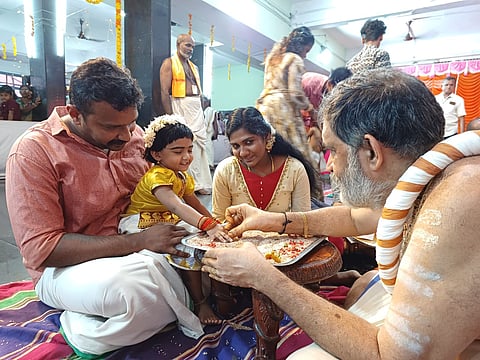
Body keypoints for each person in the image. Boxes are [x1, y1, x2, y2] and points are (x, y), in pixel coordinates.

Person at [202, 68, 480, 359]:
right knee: (361, 286)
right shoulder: (426, 178)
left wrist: (262, 276)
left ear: (371, 151)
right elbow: (355, 218)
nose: (331, 166)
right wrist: (271, 219)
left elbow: (392, 355)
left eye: (334, 151)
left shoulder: (458, 201)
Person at [6, 57, 205, 358]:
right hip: (67, 268)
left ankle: (142, 306)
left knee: (209, 264)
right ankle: (84, 330)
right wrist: (136, 242)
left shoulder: (138, 138)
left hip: (140, 248)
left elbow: (169, 192)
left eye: (131, 123)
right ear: (77, 114)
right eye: (112, 127)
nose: (127, 137)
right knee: (134, 291)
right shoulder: (34, 152)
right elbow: (42, 250)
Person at [119, 114, 229, 324]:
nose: (187, 157)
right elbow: (176, 205)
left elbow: (194, 203)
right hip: (141, 222)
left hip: (166, 218)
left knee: (203, 236)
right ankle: (200, 302)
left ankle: (220, 291)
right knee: (187, 245)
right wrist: (207, 225)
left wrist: (214, 224)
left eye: (189, 150)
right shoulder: (157, 175)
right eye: (178, 151)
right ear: (156, 154)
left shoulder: (182, 175)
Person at [212, 106, 318, 221]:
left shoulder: (294, 169)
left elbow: (302, 222)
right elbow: (219, 221)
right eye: (236, 146)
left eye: (249, 142)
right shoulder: (225, 171)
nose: (242, 153)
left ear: (266, 136)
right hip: (236, 238)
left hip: (286, 239)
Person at [256, 26, 317, 172]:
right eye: (306, 50)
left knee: (270, 151)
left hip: (265, 107)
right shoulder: (294, 59)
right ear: (301, 46)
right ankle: (305, 189)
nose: (306, 55)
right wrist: (309, 107)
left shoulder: (273, 58)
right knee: (298, 154)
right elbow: (295, 93)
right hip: (282, 109)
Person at [160, 34, 212, 195]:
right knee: (188, 144)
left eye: (192, 47)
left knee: (201, 147)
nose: (190, 49)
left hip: (195, 108)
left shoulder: (194, 67)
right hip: (180, 106)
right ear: (178, 44)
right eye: (187, 45)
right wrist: (170, 117)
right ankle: (189, 184)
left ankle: (201, 182)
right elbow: (164, 91)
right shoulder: (169, 63)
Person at [201, 95, 218, 170]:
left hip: (208, 133)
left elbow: (215, 123)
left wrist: (216, 132)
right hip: (201, 133)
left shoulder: (211, 110)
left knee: (209, 149)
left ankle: (210, 164)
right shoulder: (200, 110)